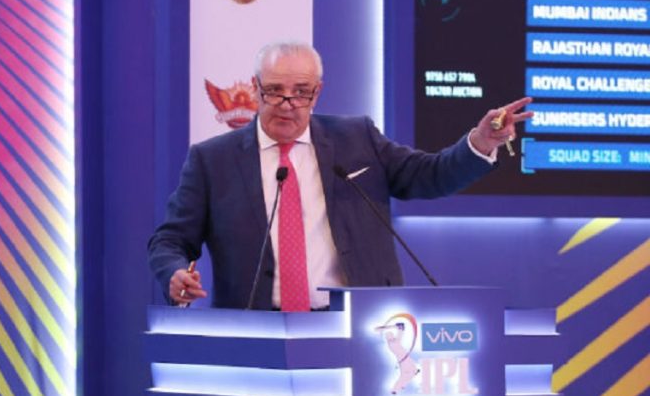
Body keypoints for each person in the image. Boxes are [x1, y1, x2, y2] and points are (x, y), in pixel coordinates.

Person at [147, 41, 532, 310]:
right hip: (256, 329)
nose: (287, 104)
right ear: (255, 88)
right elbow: (170, 240)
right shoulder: (212, 160)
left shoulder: (357, 139)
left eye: (301, 92)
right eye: (275, 91)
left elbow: (430, 176)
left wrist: (480, 141)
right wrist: (175, 274)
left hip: (355, 328)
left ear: (317, 93)